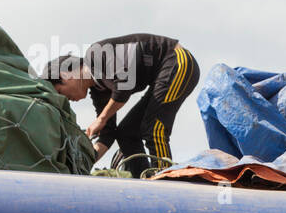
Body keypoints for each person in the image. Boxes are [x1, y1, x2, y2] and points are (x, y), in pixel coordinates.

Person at [45, 34, 200, 177]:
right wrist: (83, 162)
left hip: (178, 61)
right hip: (161, 76)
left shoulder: (95, 54)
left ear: (65, 75)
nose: (66, 99)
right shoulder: (99, 90)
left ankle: (165, 178)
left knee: (154, 128)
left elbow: (124, 85)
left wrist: (101, 119)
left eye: (60, 91)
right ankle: (145, 178)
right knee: (126, 133)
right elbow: (108, 133)